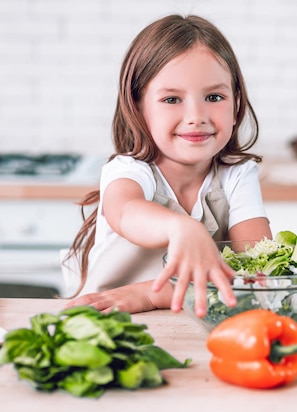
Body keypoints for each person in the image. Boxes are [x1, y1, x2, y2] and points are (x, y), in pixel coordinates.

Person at [62, 14, 271, 317]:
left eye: (214, 96)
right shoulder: (128, 172)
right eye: (172, 99)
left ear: (236, 102)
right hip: (108, 326)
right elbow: (126, 211)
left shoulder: (238, 175)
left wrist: (150, 294)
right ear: (137, 105)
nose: (196, 115)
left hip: (197, 333)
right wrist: (182, 228)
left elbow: (257, 276)